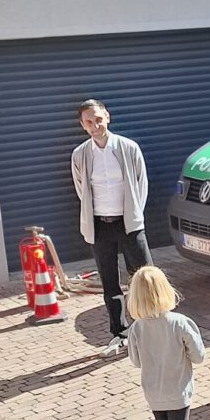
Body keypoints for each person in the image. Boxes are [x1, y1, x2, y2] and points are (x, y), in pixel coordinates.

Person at [71, 99, 152, 357]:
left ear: (107, 117)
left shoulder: (129, 148)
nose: (95, 125)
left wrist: (135, 215)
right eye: (89, 122)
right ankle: (120, 333)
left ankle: (151, 330)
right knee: (110, 282)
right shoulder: (80, 155)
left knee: (145, 277)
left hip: (128, 223)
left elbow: (141, 184)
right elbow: (82, 189)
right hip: (100, 225)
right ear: (83, 125)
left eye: (98, 119)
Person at [126, 266, 205, 420]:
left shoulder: (137, 327)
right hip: (178, 390)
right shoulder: (180, 322)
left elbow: (135, 361)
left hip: (153, 392)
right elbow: (199, 356)